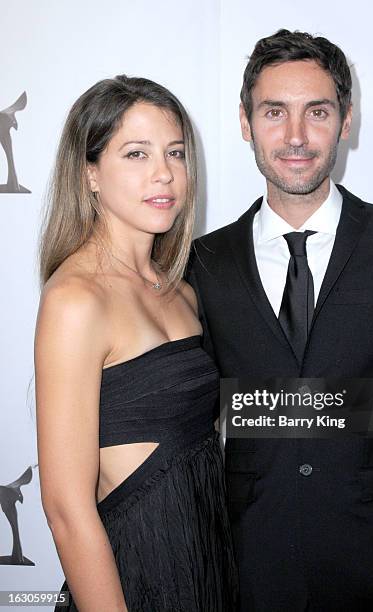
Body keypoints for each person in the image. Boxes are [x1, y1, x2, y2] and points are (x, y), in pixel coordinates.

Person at [187, 29, 373, 611]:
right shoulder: (205, 263)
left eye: (316, 112)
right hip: (250, 572)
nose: (294, 137)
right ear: (244, 121)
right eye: (273, 112)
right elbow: (195, 433)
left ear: (346, 119)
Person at [35, 75, 238, 612]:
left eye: (175, 152)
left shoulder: (182, 292)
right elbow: (65, 507)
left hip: (205, 568)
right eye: (136, 153)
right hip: (132, 577)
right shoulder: (76, 300)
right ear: (90, 174)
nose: (165, 173)